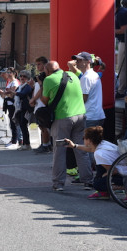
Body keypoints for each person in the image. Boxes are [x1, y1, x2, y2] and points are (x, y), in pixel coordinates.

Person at [41, 61, 93, 192]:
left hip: (62, 118)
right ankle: (88, 180)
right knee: (80, 148)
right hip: (80, 115)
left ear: (47, 71)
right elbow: (79, 73)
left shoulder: (48, 79)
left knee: (60, 151)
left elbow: (44, 100)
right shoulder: (72, 75)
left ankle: (58, 183)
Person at [64, 126, 124, 200]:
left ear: (89, 140)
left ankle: (123, 187)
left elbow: (114, 171)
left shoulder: (99, 153)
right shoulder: (103, 143)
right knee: (99, 173)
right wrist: (74, 146)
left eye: (84, 138)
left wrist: (106, 174)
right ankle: (105, 192)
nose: (83, 140)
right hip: (123, 168)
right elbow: (91, 149)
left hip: (123, 174)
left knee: (97, 184)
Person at [67, 52, 105, 129]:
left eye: (80, 60)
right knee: (95, 140)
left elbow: (84, 99)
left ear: (88, 61)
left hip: (90, 117)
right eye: (76, 60)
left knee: (88, 141)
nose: (77, 62)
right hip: (97, 115)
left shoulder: (86, 77)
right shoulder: (94, 74)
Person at [30, 57, 52, 153]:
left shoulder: (46, 76)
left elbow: (42, 89)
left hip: (43, 104)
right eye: (36, 64)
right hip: (38, 104)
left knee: (44, 126)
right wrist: (33, 99)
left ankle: (46, 145)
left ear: (44, 65)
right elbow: (36, 88)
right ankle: (44, 143)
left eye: (39, 64)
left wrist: (34, 99)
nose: (37, 66)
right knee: (40, 126)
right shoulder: (39, 76)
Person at [0, 67, 21, 149]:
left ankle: (15, 141)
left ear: (14, 73)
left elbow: (12, 94)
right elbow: (5, 95)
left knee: (14, 123)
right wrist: (1, 93)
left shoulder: (15, 82)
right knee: (12, 123)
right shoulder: (9, 82)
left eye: (10, 72)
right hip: (8, 104)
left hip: (13, 104)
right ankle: (14, 140)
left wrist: (4, 93)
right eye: (7, 72)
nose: (8, 74)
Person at [13, 70, 34, 150]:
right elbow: (15, 93)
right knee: (22, 125)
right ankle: (25, 143)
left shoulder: (27, 86)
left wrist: (13, 92)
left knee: (24, 125)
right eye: (21, 76)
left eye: (24, 76)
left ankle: (27, 144)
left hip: (26, 108)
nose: (22, 78)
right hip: (20, 108)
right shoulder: (20, 86)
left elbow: (22, 94)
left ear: (28, 78)